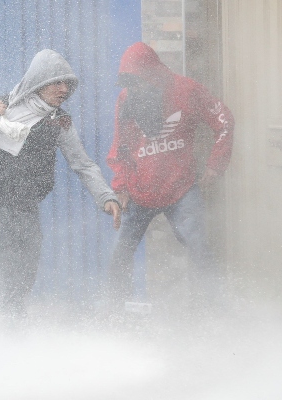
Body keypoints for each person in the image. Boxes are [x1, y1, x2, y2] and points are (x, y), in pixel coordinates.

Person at [0, 49, 122, 317]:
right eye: (57, 83)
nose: (64, 90)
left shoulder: (58, 121)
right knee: (13, 274)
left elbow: (83, 164)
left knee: (24, 276)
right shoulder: (2, 107)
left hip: (26, 208)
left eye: (68, 84)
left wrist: (106, 196)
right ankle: (12, 332)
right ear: (39, 83)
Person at [106, 42, 235, 311]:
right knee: (119, 253)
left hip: (181, 188)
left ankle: (213, 308)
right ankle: (114, 310)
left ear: (153, 74)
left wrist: (215, 165)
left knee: (198, 245)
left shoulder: (186, 90)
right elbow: (120, 148)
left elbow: (223, 120)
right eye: (130, 83)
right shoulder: (126, 99)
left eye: (140, 81)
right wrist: (120, 187)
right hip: (139, 190)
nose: (135, 88)